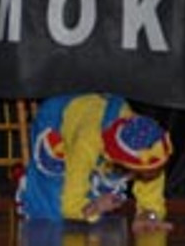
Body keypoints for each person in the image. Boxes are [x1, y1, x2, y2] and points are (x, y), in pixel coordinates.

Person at [15, 93, 174, 234]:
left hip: (96, 122)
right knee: (51, 208)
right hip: (58, 117)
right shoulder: (86, 143)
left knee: (106, 191)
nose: (151, 177)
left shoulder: (150, 144)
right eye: (141, 174)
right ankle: (28, 184)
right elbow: (70, 204)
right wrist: (95, 207)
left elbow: (150, 190)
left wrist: (148, 214)